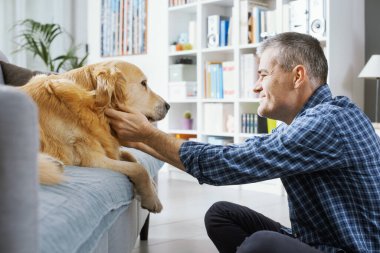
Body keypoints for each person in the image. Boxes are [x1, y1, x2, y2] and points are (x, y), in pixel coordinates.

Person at [105, 32, 380, 253]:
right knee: (221, 215)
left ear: (297, 76)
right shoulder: (315, 119)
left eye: (263, 74)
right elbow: (238, 152)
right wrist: (140, 140)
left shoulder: (325, 124)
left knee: (261, 245)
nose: (255, 87)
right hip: (315, 239)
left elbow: (228, 165)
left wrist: (147, 134)